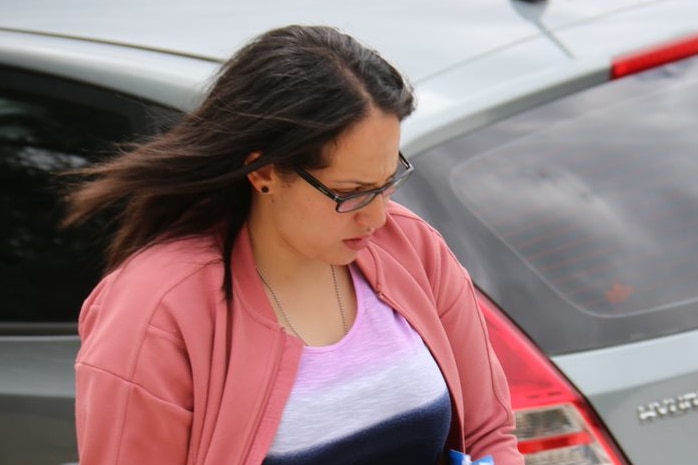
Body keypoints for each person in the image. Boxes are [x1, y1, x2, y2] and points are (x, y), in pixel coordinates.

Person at [63, 24, 524, 465]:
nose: (378, 217)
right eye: (350, 192)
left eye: (387, 183)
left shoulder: (411, 246)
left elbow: (488, 432)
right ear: (263, 171)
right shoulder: (157, 312)